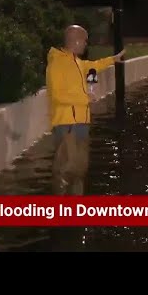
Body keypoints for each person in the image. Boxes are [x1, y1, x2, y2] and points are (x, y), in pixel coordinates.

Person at [46, 25, 125, 195]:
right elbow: (57, 96)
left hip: (81, 122)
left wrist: (113, 59)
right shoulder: (57, 63)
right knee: (65, 168)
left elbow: (93, 66)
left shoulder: (76, 61)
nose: (86, 44)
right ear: (76, 41)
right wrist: (85, 99)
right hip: (67, 123)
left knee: (79, 169)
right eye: (85, 41)